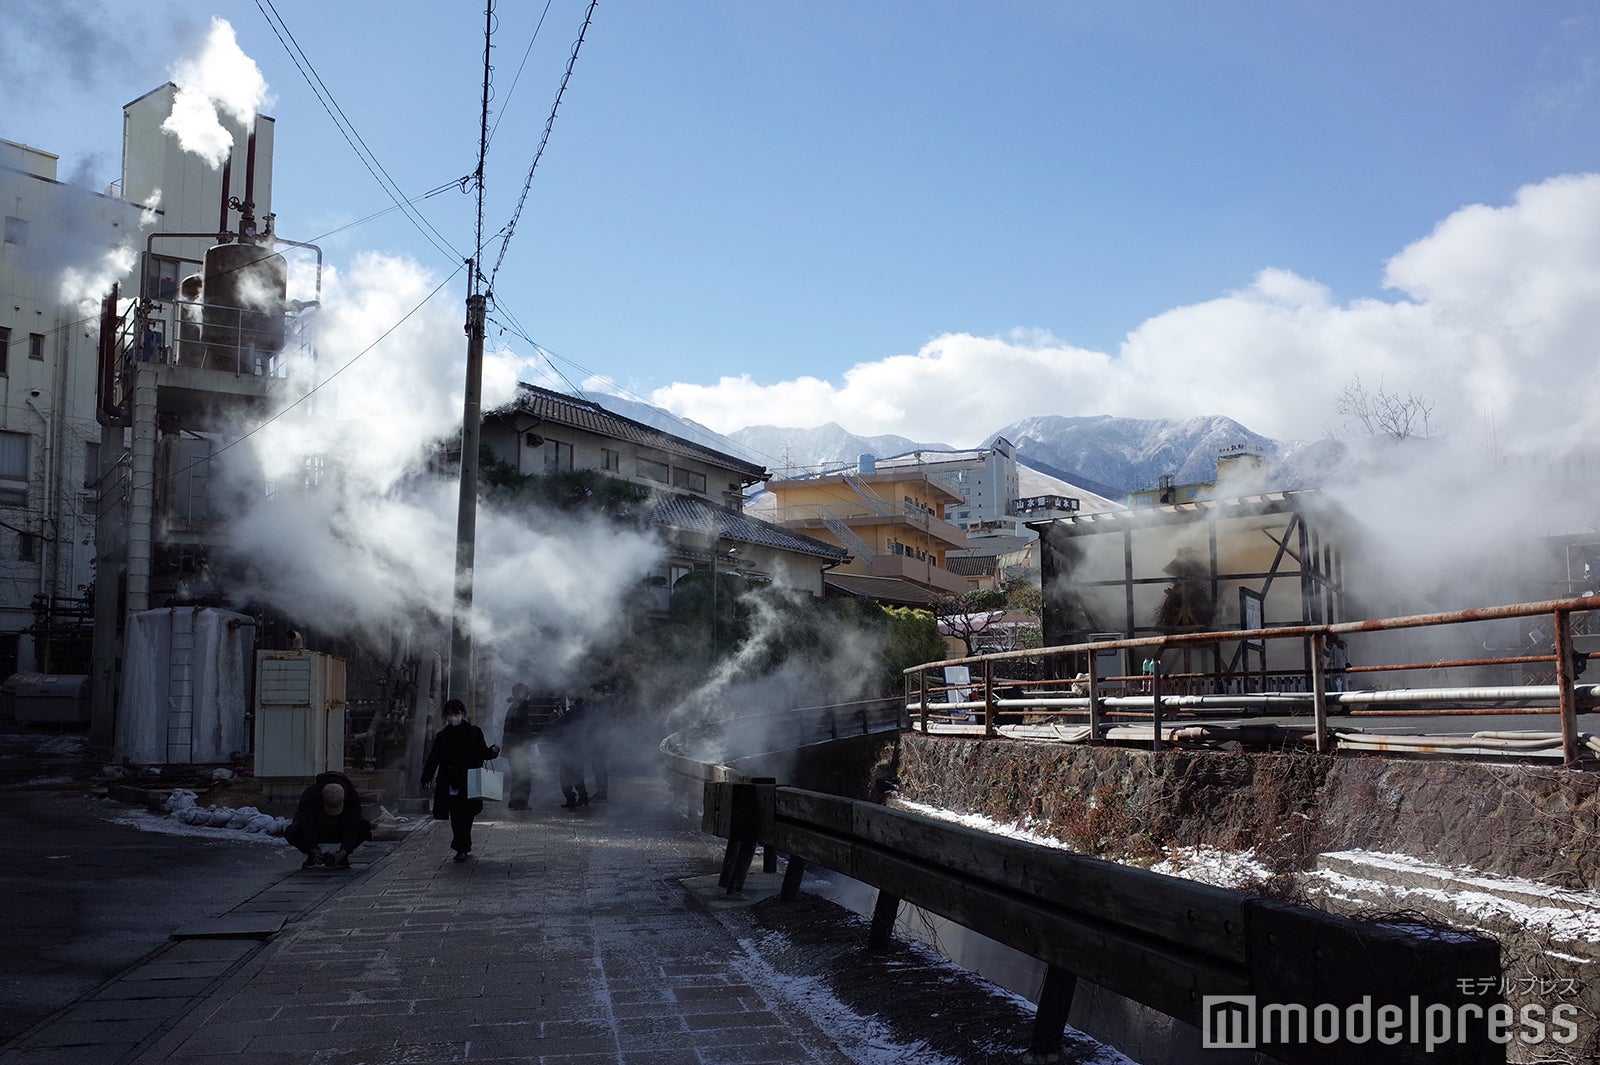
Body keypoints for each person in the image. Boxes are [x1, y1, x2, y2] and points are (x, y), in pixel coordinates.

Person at [420, 699, 501, 862]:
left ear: (463, 714)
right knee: (456, 815)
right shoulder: (442, 736)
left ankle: (463, 845)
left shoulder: (474, 732)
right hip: (450, 781)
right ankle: (461, 846)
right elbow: (434, 757)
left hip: (470, 780)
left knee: (467, 814)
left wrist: (493, 751)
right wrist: (427, 775)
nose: (453, 718)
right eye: (449, 715)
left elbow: (482, 753)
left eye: (455, 714)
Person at [284, 771, 372, 870]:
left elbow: (353, 823)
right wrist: (312, 848)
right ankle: (313, 857)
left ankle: (342, 858)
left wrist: (344, 850)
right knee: (292, 831)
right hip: (318, 830)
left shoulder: (351, 795)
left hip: (340, 830)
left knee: (364, 827)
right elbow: (306, 822)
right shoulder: (311, 794)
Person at [501, 683, 547, 810]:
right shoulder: (521, 707)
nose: (528, 696)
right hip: (518, 747)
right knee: (524, 776)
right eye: (526, 693)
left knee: (517, 775)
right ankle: (520, 803)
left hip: (512, 747)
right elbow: (525, 730)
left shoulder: (513, 707)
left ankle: (514, 801)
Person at [549, 692, 590, 809]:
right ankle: (583, 798)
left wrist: (556, 716)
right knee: (578, 776)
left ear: (572, 701)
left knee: (565, 777)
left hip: (569, 748)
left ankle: (570, 799)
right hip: (580, 748)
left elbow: (556, 725)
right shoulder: (586, 712)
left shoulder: (571, 713)